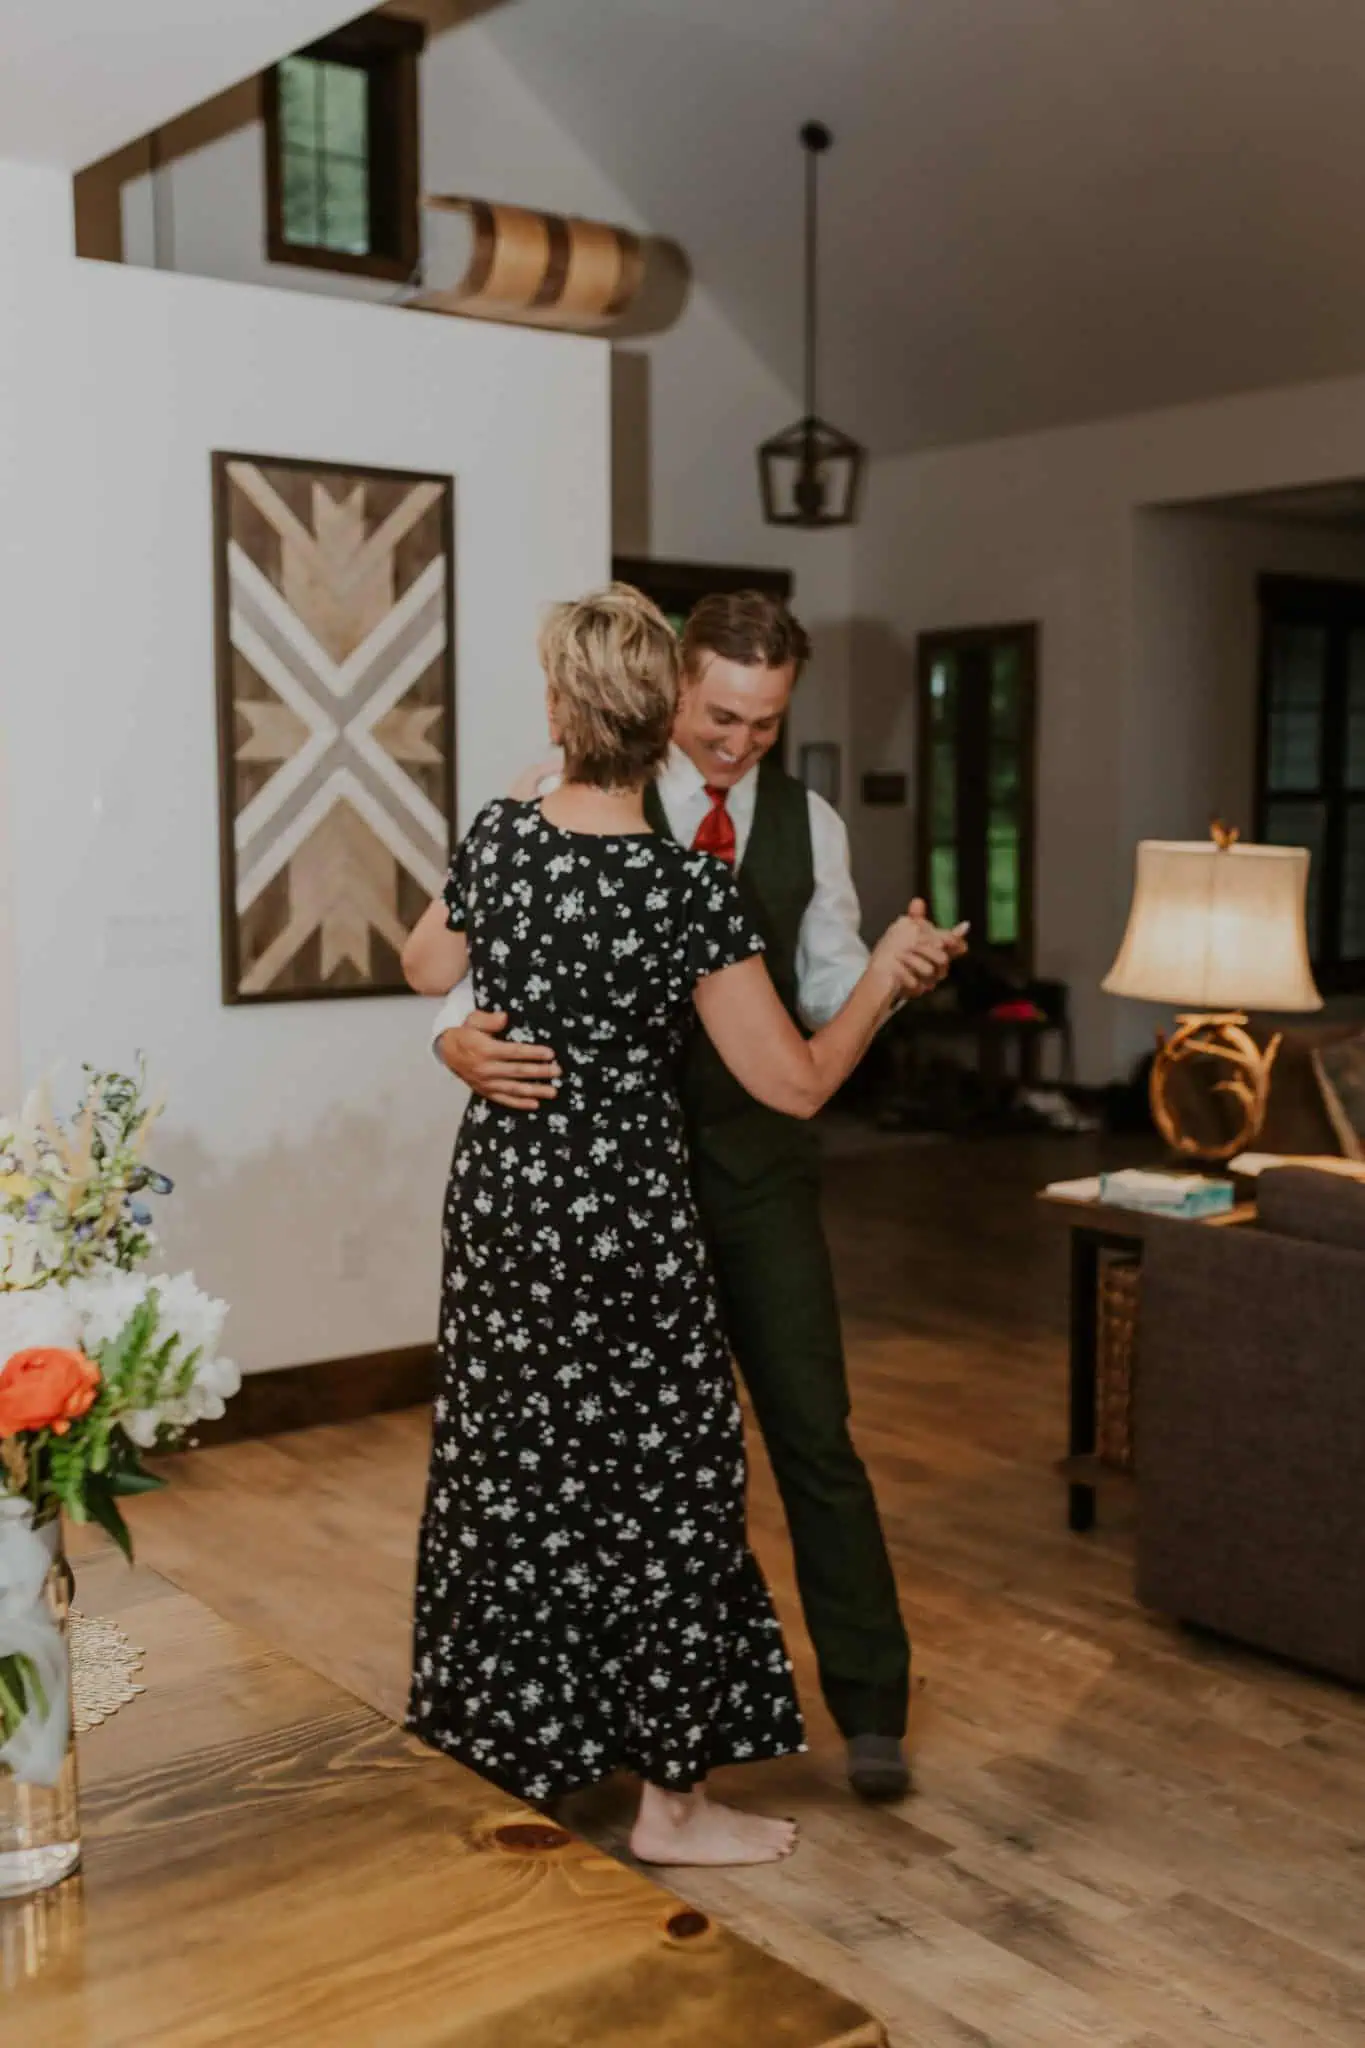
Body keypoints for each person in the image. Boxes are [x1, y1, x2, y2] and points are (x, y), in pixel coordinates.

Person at [401, 584, 949, 1866]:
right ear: (665, 712)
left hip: (510, 1210)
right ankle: (669, 1801)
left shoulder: (502, 834)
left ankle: (517, 1749)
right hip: (634, 1219)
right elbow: (801, 1080)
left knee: (509, 1474)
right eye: (719, 712)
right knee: (667, 1492)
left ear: (561, 706)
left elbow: (430, 965)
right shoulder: (683, 890)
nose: (738, 736)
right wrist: (881, 983)